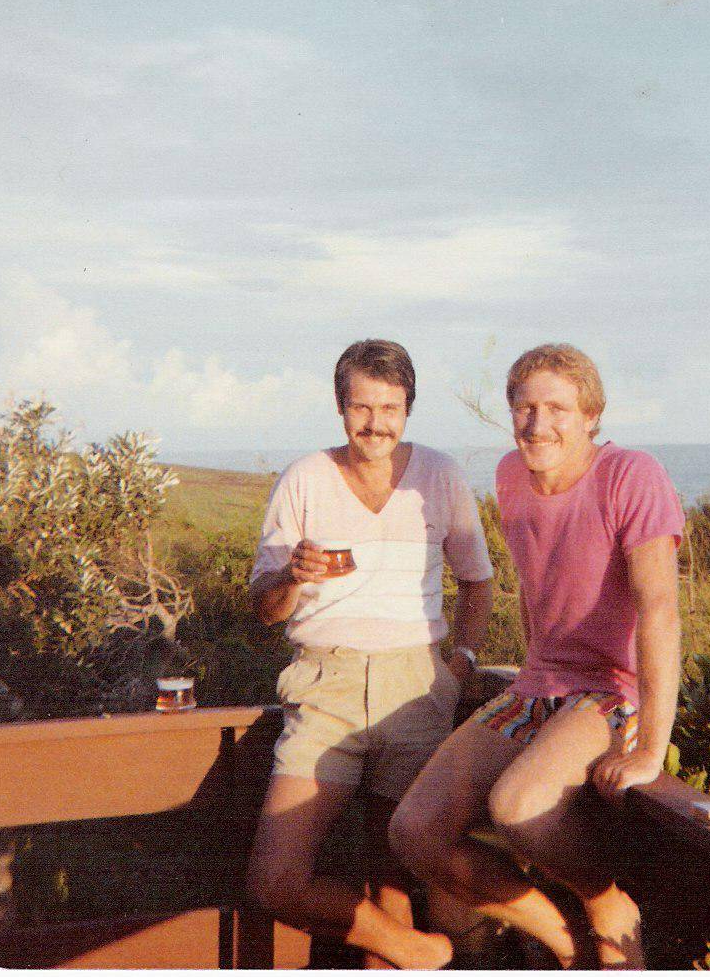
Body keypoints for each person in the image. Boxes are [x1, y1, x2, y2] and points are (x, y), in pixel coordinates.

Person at [389, 343, 684, 969]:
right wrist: (532, 670)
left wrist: (650, 748)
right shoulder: (510, 476)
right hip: (537, 686)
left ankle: (605, 901)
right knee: (414, 832)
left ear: (591, 416)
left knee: (518, 808)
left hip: (612, 691)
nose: (537, 424)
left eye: (557, 409)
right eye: (525, 408)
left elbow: (659, 609)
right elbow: (533, 586)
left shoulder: (631, 474)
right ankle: (565, 940)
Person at [245, 339, 494, 970]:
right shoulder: (304, 478)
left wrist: (461, 660)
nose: (376, 422)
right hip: (323, 686)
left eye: (390, 407)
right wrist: (291, 575)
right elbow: (265, 608)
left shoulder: (440, 475)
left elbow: (477, 582)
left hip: (416, 686)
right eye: (362, 406)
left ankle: (405, 953)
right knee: (274, 880)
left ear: (408, 408)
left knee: (395, 876)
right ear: (340, 407)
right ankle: (425, 953)